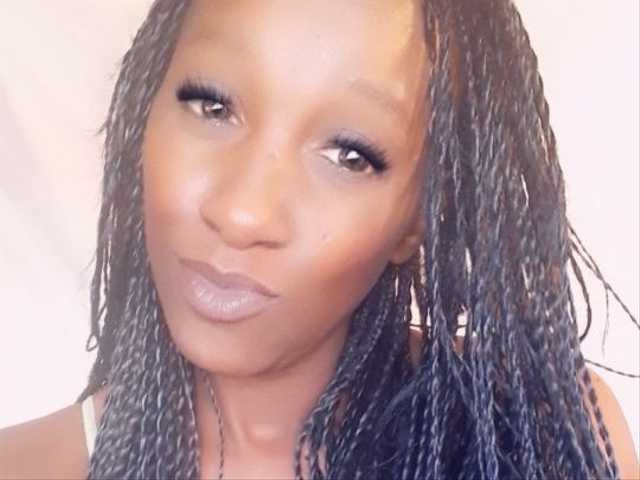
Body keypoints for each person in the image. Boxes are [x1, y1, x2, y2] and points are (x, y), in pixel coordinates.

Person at [0, 0, 638, 478]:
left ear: (418, 219)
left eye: (349, 154)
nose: (242, 213)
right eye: (213, 106)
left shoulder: (544, 440)